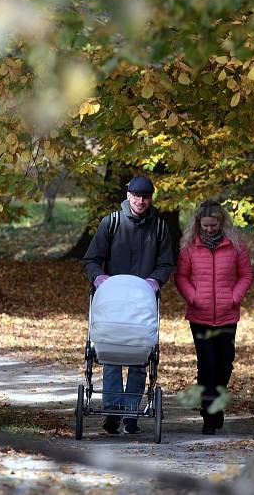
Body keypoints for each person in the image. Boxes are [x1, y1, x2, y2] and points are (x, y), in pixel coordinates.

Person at [83, 175, 174, 435]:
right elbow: (91, 259)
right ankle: (112, 411)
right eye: (136, 196)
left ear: (151, 198)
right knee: (112, 353)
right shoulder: (110, 223)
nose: (140, 201)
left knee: (138, 356)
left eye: (145, 197)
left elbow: (166, 263)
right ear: (128, 194)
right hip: (113, 300)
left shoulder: (159, 228)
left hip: (142, 302)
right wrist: (98, 276)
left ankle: (131, 413)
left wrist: (155, 280)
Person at [175, 200, 253, 435]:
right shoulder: (189, 246)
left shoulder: (236, 245)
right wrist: (194, 297)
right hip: (199, 315)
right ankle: (210, 414)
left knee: (225, 363)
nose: (209, 229)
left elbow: (246, 275)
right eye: (205, 225)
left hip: (228, 315)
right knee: (207, 364)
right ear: (199, 223)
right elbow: (181, 277)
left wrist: (233, 297)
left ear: (222, 222)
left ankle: (215, 404)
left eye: (214, 225)